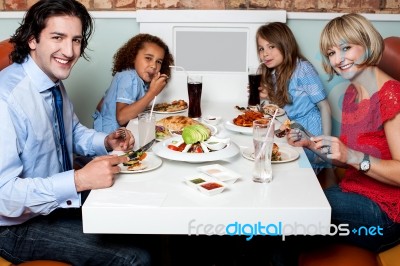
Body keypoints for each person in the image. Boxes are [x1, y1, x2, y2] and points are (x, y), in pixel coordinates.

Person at [0, 0, 152, 265]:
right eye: (57, 37)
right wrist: (79, 180)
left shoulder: (50, 79)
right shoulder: (7, 99)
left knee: (143, 215)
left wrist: (105, 140)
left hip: (52, 202)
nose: (69, 51)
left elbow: (71, 132)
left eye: (76, 40)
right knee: (134, 257)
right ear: (33, 39)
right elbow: (5, 196)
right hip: (14, 227)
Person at [288, 13, 400, 254]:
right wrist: (310, 142)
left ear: (367, 44)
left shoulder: (391, 95)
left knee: (292, 212)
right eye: (331, 53)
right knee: (287, 216)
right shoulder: (352, 93)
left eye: (346, 48)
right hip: (351, 191)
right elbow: (347, 157)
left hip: (385, 213)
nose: (338, 59)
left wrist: (352, 156)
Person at [255, 22, 332, 173]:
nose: (265, 53)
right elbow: (289, 101)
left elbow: (325, 106)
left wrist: (324, 145)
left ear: (285, 44)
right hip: (290, 130)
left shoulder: (302, 69)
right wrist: (268, 96)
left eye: (271, 46)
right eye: (261, 48)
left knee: (291, 170)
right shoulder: (274, 72)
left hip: (310, 132)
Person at [93, 33, 174, 134]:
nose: (154, 65)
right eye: (148, 58)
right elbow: (122, 118)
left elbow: (101, 105)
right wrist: (152, 93)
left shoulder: (140, 80)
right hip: (110, 138)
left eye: (159, 62)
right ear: (133, 57)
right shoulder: (128, 77)